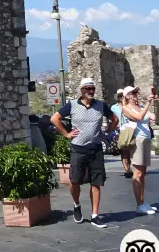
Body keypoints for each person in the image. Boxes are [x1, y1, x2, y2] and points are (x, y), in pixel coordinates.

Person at [50, 77, 118, 228]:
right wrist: (66, 134)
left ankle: (95, 215)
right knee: (74, 181)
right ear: (81, 91)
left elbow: (115, 119)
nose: (90, 91)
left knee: (96, 182)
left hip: (95, 148)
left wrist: (107, 133)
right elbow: (55, 119)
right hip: (77, 148)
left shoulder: (101, 105)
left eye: (92, 88)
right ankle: (76, 205)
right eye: (87, 88)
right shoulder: (72, 105)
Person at [120, 85, 158, 215]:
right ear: (127, 96)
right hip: (138, 140)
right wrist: (148, 102)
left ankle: (143, 201)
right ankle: (139, 204)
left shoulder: (140, 107)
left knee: (143, 174)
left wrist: (152, 103)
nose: (136, 94)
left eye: (136, 92)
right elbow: (139, 118)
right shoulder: (126, 108)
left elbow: (153, 117)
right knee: (137, 173)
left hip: (146, 139)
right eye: (133, 92)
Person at [111, 89, 132, 178]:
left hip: (130, 130)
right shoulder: (114, 107)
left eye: (122, 95)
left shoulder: (130, 106)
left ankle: (129, 166)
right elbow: (111, 119)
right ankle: (127, 169)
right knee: (124, 151)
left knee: (130, 150)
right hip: (119, 131)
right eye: (120, 96)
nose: (121, 97)